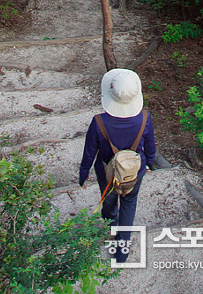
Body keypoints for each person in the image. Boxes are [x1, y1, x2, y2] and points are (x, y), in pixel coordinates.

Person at [79, 68, 156, 263]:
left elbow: (89, 152)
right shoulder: (144, 118)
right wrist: (149, 165)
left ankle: (110, 227)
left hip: (108, 172)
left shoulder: (99, 122)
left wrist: (83, 174)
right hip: (134, 172)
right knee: (129, 204)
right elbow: (150, 149)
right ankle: (122, 253)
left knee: (110, 202)